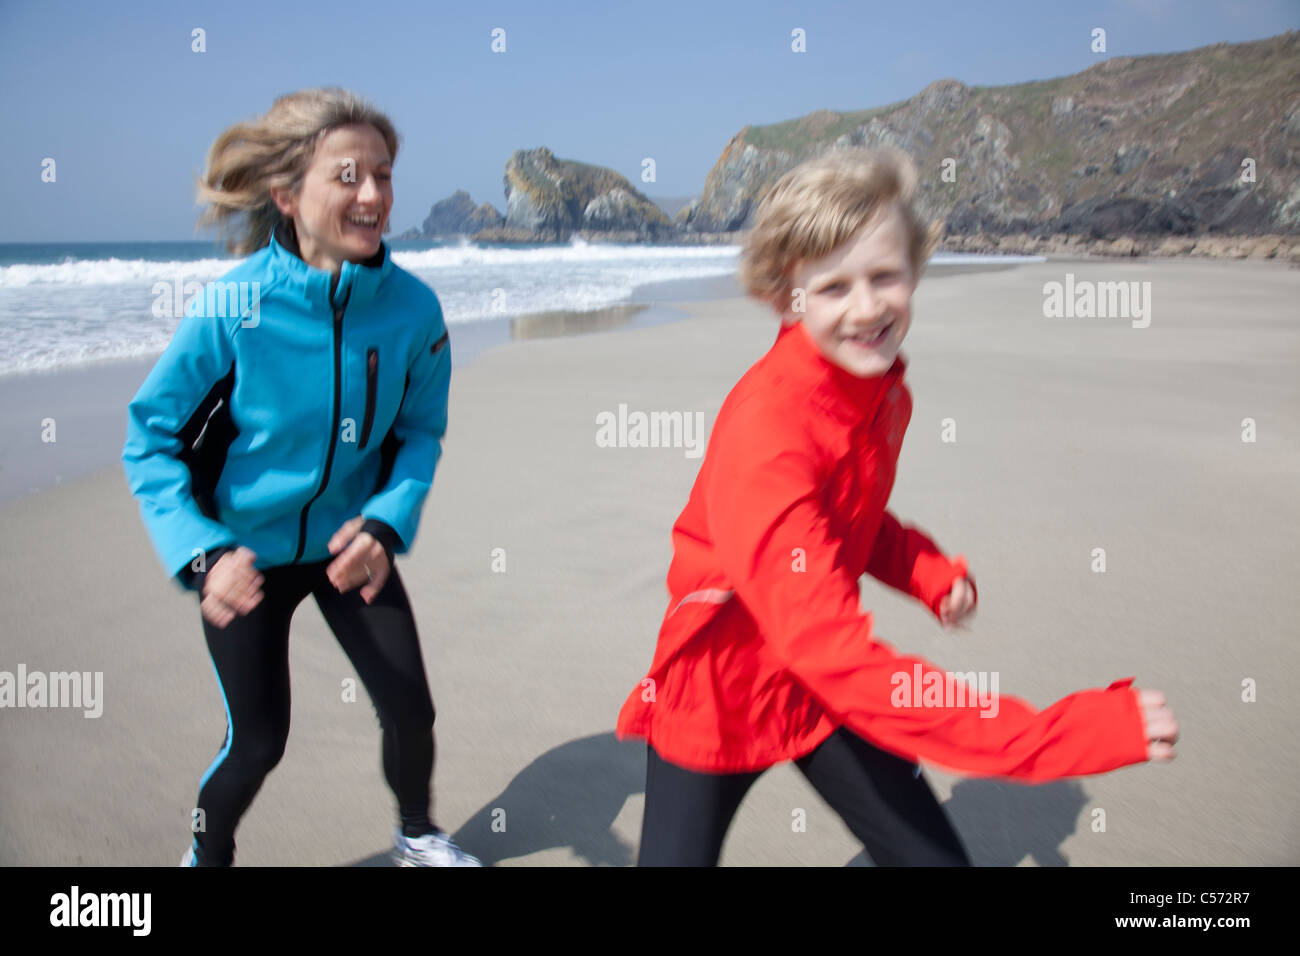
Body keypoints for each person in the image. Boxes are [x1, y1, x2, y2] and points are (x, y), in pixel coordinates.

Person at [615, 148, 1179, 866]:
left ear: (915, 267)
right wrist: (1058, 737)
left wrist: (926, 571)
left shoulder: (877, 390)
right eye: (833, 288)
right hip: (721, 696)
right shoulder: (768, 434)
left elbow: (846, 521)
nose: (868, 308)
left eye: (885, 276)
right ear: (788, 295)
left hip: (817, 694)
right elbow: (831, 649)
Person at [122, 88, 479, 867]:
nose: (375, 195)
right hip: (243, 559)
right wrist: (203, 555)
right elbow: (149, 440)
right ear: (286, 195)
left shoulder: (413, 312)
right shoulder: (233, 308)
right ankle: (206, 858)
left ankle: (416, 836)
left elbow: (420, 432)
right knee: (256, 744)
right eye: (349, 176)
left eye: (384, 175)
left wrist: (387, 523)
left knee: (411, 711)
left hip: (352, 542)